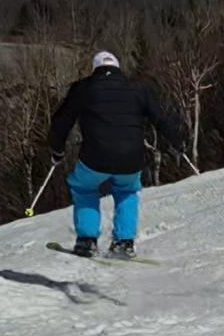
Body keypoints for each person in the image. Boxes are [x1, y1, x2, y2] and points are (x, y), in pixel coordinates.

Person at [49, 51, 183, 258]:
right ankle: (124, 242)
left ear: (95, 69)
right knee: (127, 192)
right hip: (132, 159)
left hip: (95, 157)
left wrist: (57, 150)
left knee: (84, 188)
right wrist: (177, 143)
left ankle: (87, 240)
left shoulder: (83, 88)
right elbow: (161, 117)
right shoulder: (138, 89)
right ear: (118, 68)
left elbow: (61, 122)